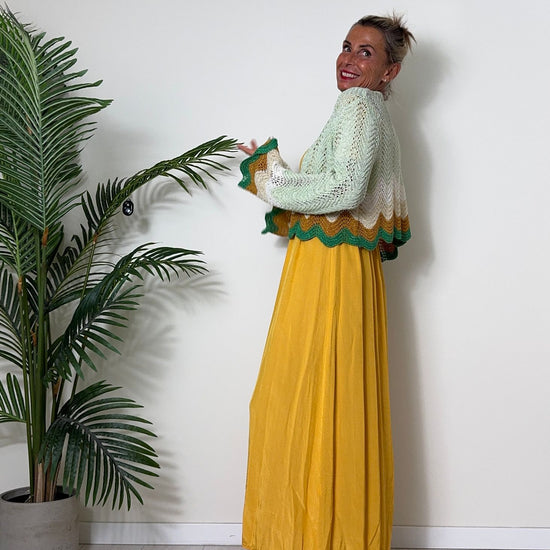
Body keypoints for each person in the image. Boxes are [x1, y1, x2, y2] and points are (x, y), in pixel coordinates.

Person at [237, 14, 415, 550]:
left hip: (328, 268)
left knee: (302, 392)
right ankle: (336, 533)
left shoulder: (358, 106)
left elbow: (344, 189)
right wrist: (274, 171)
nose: (349, 59)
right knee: (334, 397)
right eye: (346, 46)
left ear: (389, 71)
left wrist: (271, 180)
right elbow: (344, 185)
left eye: (366, 52)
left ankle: (305, 536)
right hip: (345, 266)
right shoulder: (374, 114)